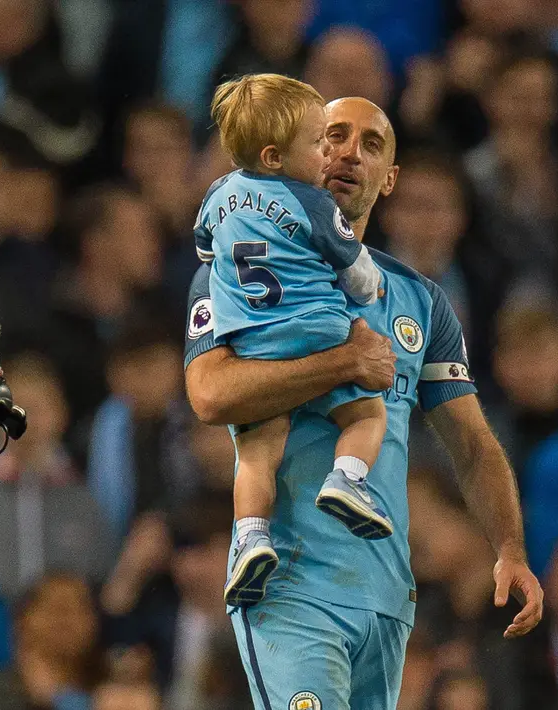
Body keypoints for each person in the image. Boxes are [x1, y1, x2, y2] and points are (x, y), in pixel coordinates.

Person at [183, 95, 544, 709]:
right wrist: (342, 363)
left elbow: (473, 445)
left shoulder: (421, 301)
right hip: (289, 584)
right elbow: (211, 395)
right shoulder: (237, 266)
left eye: (371, 144)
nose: (349, 151)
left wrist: (510, 548)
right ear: (304, 153)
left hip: (386, 595)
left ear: (389, 179)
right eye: (333, 136)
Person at [195, 73, 390, 608]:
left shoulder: (217, 195)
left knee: (256, 453)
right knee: (368, 415)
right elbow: (356, 271)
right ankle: (347, 480)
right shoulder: (311, 202)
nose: (329, 154)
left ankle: (251, 538)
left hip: (252, 341)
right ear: (276, 157)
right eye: (319, 142)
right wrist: (367, 298)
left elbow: (205, 247)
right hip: (322, 332)